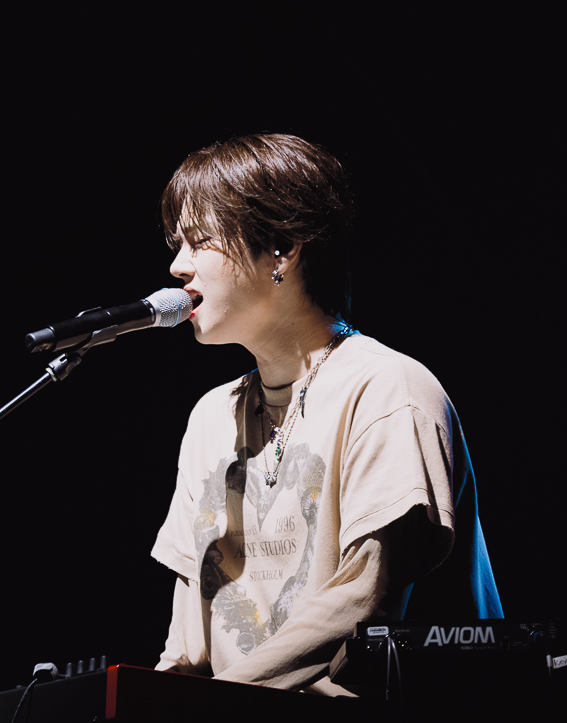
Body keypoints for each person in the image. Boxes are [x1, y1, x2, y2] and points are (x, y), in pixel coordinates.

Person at [150, 133, 503, 695]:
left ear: (281, 249)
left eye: (198, 241)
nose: (176, 266)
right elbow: (189, 641)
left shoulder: (388, 389)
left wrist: (209, 707)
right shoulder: (209, 418)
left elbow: (364, 598)